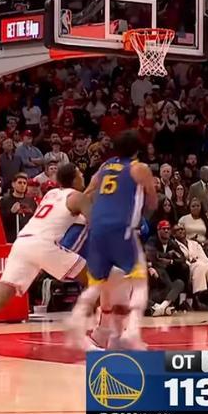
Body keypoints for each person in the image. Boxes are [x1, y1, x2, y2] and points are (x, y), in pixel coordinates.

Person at [0, 164, 91, 360]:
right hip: (44, 245)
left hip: (22, 243)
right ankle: (93, 334)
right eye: (80, 174)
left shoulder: (51, 195)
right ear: (74, 179)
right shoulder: (77, 198)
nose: (83, 176)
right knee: (95, 280)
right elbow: (95, 219)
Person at [69, 131, 158, 350]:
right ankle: (131, 332)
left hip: (97, 228)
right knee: (139, 282)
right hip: (121, 229)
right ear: (137, 148)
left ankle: (80, 322)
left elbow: (87, 193)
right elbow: (153, 202)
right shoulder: (139, 168)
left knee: (99, 284)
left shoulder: (105, 166)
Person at [173, 223, 208, 310]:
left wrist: (197, 260)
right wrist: (191, 261)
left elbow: (205, 258)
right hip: (187, 269)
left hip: (201, 266)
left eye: (182, 229)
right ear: (174, 234)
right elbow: (179, 259)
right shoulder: (174, 245)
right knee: (198, 266)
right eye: (177, 230)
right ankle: (200, 297)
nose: (180, 231)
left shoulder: (194, 243)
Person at [0, 173, 37, 243]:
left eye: (24, 183)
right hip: (11, 239)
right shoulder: (4, 201)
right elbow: (0, 222)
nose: (22, 185)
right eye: (19, 183)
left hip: (27, 240)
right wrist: (12, 213)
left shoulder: (31, 202)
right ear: (13, 184)